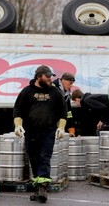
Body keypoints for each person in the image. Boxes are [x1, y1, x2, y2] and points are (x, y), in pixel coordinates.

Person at [13, 65, 67, 203]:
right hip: (30, 131)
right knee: (34, 159)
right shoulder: (27, 92)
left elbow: (62, 112)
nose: (50, 79)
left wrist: (61, 128)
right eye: (47, 76)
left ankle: (43, 187)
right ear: (39, 77)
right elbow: (18, 110)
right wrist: (18, 125)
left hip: (48, 131)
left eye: (51, 76)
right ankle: (38, 189)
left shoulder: (55, 92)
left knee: (44, 157)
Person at [53, 72, 76, 137]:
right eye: (70, 83)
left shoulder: (67, 93)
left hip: (59, 123)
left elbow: (68, 111)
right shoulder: (53, 87)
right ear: (63, 80)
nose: (71, 86)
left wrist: (71, 128)